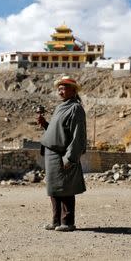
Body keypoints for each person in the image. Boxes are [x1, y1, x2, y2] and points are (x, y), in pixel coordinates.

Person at [37, 76, 87, 232]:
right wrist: (45, 124)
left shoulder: (75, 108)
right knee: (54, 189)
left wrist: (71, 158)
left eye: (64, 88)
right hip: (51, 154)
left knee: (66, 189)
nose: (60, 91)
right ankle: (55, 221)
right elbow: (57, 131)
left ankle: (67, 222)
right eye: (59, 88)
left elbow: (78, 136)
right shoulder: (60, 107)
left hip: (63, 154)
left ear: (73, 90)